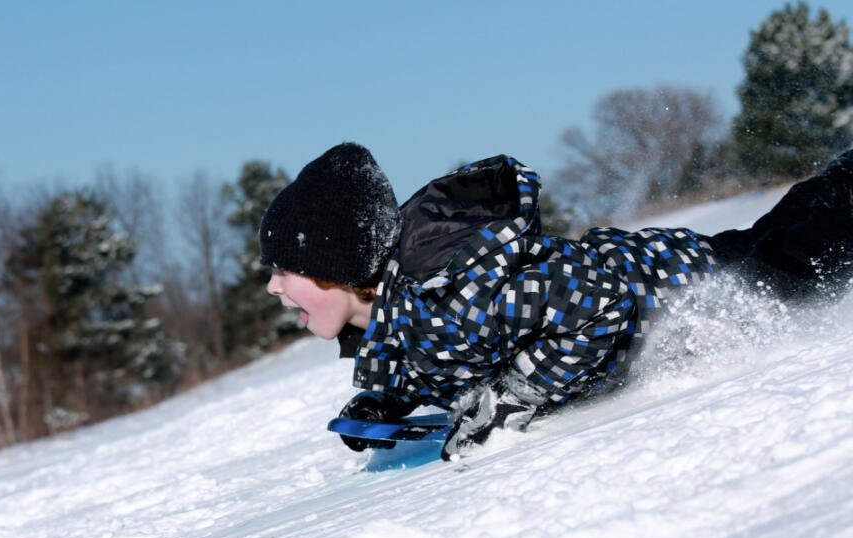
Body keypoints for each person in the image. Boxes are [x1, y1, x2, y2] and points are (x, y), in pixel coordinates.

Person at [260, 143, 853, 460]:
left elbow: (597, 305)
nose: (274, 289)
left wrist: (516, 395)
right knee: (790, 226)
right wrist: (388, 397)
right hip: (666, 268)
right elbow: (436, 350)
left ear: (336, 268)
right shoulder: (401, 314)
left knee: (807, 244)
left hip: (690, 288)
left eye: (285, 270)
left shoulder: (445, 295)